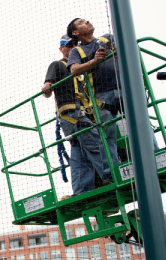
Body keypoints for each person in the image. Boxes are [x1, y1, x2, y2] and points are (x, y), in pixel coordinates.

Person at [42, 35, 99, 197]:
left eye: (74, 44)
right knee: (95, 144)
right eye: (68, 45)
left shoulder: (80, 71)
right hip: (71, 114)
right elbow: (48, 86)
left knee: (79, 152)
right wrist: (47, 86)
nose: (71, 47)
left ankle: (81, 191)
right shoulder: (57, 65)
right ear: (61, 48)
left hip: (81, 113)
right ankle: (111, 175)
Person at [66, 18, 121, 184]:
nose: (87, 21)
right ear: (76, 32)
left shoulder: (108, 38)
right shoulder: (77, 51)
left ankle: (156, 156)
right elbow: (74, 70)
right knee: (106, 136)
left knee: (141, 123)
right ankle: (112, 174)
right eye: (82, 22)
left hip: (124, 86)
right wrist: (95, 60)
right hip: (101, 96)